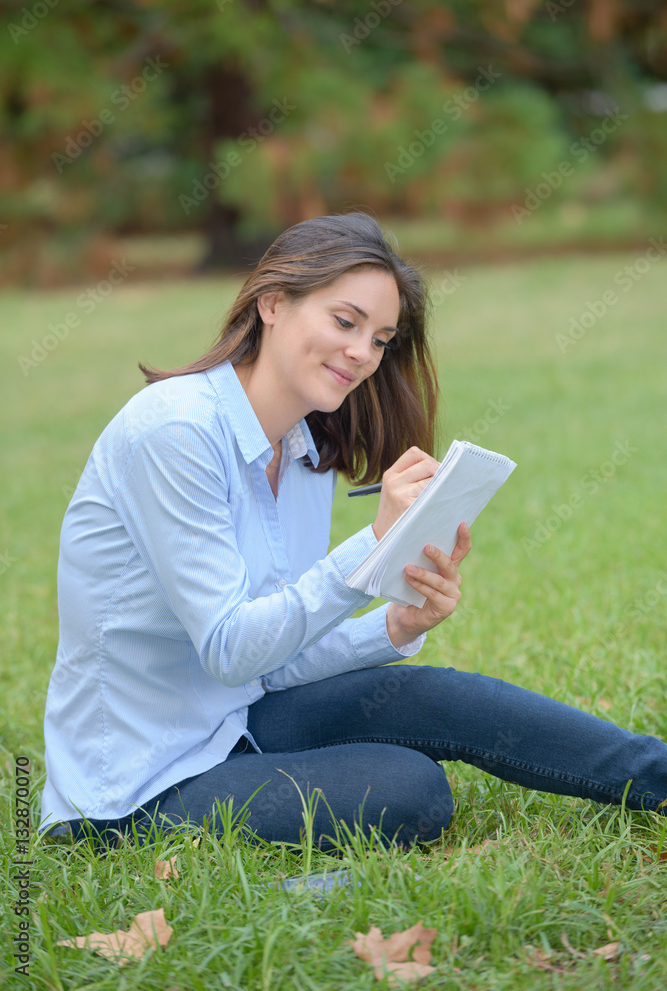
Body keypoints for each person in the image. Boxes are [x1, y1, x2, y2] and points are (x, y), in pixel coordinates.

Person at [40, 212, 667, 849]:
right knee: (409, 787)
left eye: (381, 339)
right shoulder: (175, 434)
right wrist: (371, 549)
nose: (363, 354)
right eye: (345, 322)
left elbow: (271, 659)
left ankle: (658, 776)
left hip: (236, 718)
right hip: (138, 785)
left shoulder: (303, 448)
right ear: (272, 303)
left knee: (440, 695)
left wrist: (396, 626)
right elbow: (231, 649)